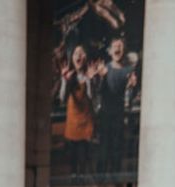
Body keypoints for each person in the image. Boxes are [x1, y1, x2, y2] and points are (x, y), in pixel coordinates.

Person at [93, 35, 138, 177]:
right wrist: (100, 78)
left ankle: (115, 174)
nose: (118, 48)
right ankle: (100, 176)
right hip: (105, 114)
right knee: (104, 146)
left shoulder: (129, 70)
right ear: (110, 51)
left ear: (124, 49)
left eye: (120, 46)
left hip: (119, 115)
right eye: (115, 46)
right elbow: (98, 92)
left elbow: (129, 98)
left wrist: (132, 87)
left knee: (117, 146)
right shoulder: (104, 69)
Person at [59, 44, 96, 178]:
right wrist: (64, 80)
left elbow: (91, 97)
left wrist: (90, 81)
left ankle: (85, 176)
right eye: (76, 53)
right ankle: (74, 175)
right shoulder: (69, 76)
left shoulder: (88, 76)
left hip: (86, 120)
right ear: (72, 58)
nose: (79, 56)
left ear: (86, 57)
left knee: (85, 153)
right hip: (73, 121)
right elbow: (62, 98)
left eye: (82, 53)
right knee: (73, 153)